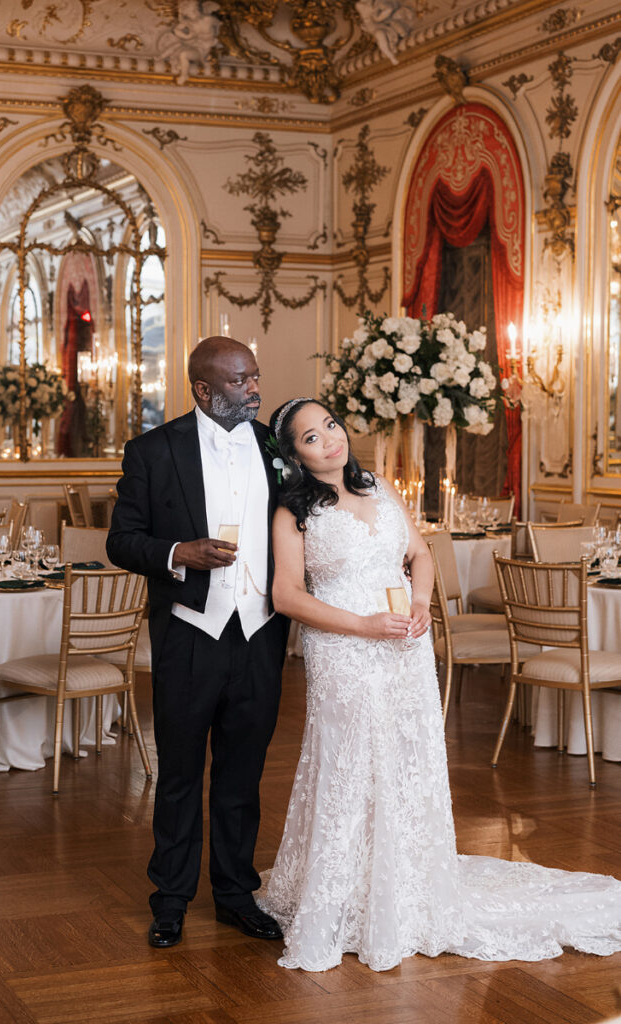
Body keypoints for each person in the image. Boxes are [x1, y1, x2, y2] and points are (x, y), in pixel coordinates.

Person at [257, 397, 621, 973]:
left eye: (330, 425)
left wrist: (421, 601)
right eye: (309, 437)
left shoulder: (377, 486)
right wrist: (364, 625)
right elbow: (286, 596)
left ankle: (409, 882)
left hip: (403, 644)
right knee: (350, 763)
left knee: (407, 760)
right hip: (344, 649)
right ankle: (343, 891)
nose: (328, 440)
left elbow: (418, 553)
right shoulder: (292, 512)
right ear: (294, 455)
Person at [106, 337, 288, 949]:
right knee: (180, 773)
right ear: (204, 390)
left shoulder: (277, 448)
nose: (254, 389)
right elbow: (122, 541)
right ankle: (171, 900)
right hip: (189, 631)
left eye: (256, 377)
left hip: (261, 632)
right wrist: (179, 553)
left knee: (243, 773)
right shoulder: (153, 451)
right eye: (241, 381)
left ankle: (236, 893)